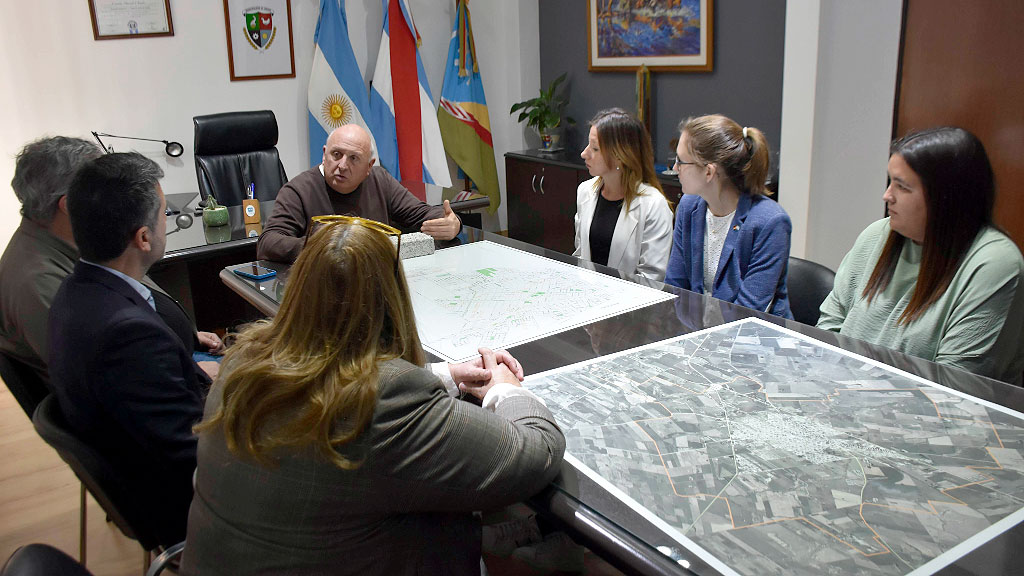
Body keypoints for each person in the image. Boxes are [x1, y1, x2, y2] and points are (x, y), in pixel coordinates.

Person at [181, 218, 565, 576]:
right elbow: (537, 453)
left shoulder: (241, 362)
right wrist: (503, 388)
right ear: (391, 297)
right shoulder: (386, 401)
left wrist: (446, 375)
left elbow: (335, 378)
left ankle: (487, 538)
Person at [47, 152, 211, 547]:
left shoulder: (74, 292)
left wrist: (197, 376)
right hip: (186, 504)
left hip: (145, 465)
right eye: (164, 215)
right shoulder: (127, 335)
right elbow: (191, 450)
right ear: (143, 237)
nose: (166, 222)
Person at [0, 136, 223, 388]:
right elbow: (113, 375)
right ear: (69, 204)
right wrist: (192, 371)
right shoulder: (37, 282)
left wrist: (180, 336)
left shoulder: (73, 242)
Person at [817, 127, 1024, 385]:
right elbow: (830, 324)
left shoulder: (994, 264)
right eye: (890, 182)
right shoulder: (877, 234)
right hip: (843, 390)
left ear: (946, 197)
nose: (887, 195)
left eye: (902, 187)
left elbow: (956, 383)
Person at [257, 124, 462, 263]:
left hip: (374, 282)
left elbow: (423, 214)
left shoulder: (380, 180)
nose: (342, 165)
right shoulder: (298, 190)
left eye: (354, 158)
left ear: (369, 166)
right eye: (336, 154)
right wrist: (326, 246)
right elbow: (268, 243)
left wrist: (453, 223)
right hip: (323, 287)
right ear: (324, 154)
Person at [664, 114, 793, 318]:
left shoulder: (770, 222)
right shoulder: (689, 207)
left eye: (681, 161)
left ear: (709, 172)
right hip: (699, 330)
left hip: (754, 334)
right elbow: (676, 288)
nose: (674, 168)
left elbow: (748, 311)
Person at [574, 108, 673, 281]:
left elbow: (652, 278)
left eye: (595, 148)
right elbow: (580, 256)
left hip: (631, 297)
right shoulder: (585, 191)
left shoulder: (653, 205)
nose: (584, 153)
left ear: (620, 155)